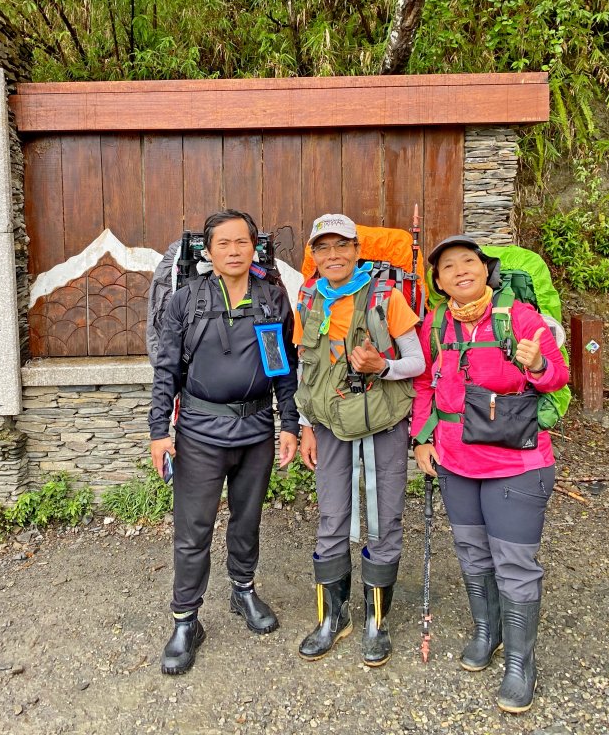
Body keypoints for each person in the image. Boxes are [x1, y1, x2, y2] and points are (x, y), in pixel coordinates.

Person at [410, 235, 570, 713]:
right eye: (449, 267)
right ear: (438, 283)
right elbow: (424, 383)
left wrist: (538, 362)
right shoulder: (437, 323)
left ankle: (521, 661)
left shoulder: (518, 315)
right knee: (471, 551)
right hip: (456, 461)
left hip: (516, 462)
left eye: (469, 262)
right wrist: (421, 437)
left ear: (486, 269)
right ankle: (488, 632)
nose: (460, 271)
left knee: (514, 563)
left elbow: (558, 375)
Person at [148, 209, 300, 675]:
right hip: (199, 432)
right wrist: (159, 431)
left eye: (242, 242)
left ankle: (243, 590)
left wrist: (289, 423)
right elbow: (167, 370)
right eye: (224, 244)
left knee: (247, 520)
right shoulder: (186, 300)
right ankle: (185, 620)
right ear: (207, 251)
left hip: (255, 432)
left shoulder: (271, 299)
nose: (234, 251)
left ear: (255, 247)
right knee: (192, 530)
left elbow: (282, 368)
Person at [293, 213, 425, 667]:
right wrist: (305, 423)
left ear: (356, 249)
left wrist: (380, 368)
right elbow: (305, 369)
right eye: (323, 248)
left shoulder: (386, 296)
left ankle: (376, 622)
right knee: (331, 517)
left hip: (384, 422)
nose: (333, 255)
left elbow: (417, 361)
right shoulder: (309, 297)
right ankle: (334, 619)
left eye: (341, 246)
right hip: (330, 424)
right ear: (313, 255)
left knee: (385, 518)